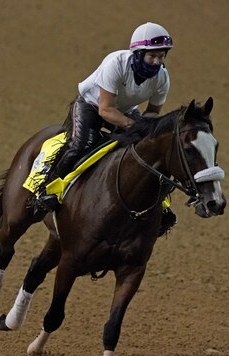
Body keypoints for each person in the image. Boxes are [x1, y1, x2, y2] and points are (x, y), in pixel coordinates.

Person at [36, 22, 177, 235]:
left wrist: (146, 132)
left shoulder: (162, 78)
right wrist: (134, 127)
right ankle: (47, 189)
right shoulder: (116, 63)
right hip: (93, 106)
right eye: (152, 56)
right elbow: (106, 110)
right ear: (138, 54)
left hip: (126, 111)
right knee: (81, 144)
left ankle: (161, 207)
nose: (157, 62)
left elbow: (152, 114)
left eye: (161, 56)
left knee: (149, 151)